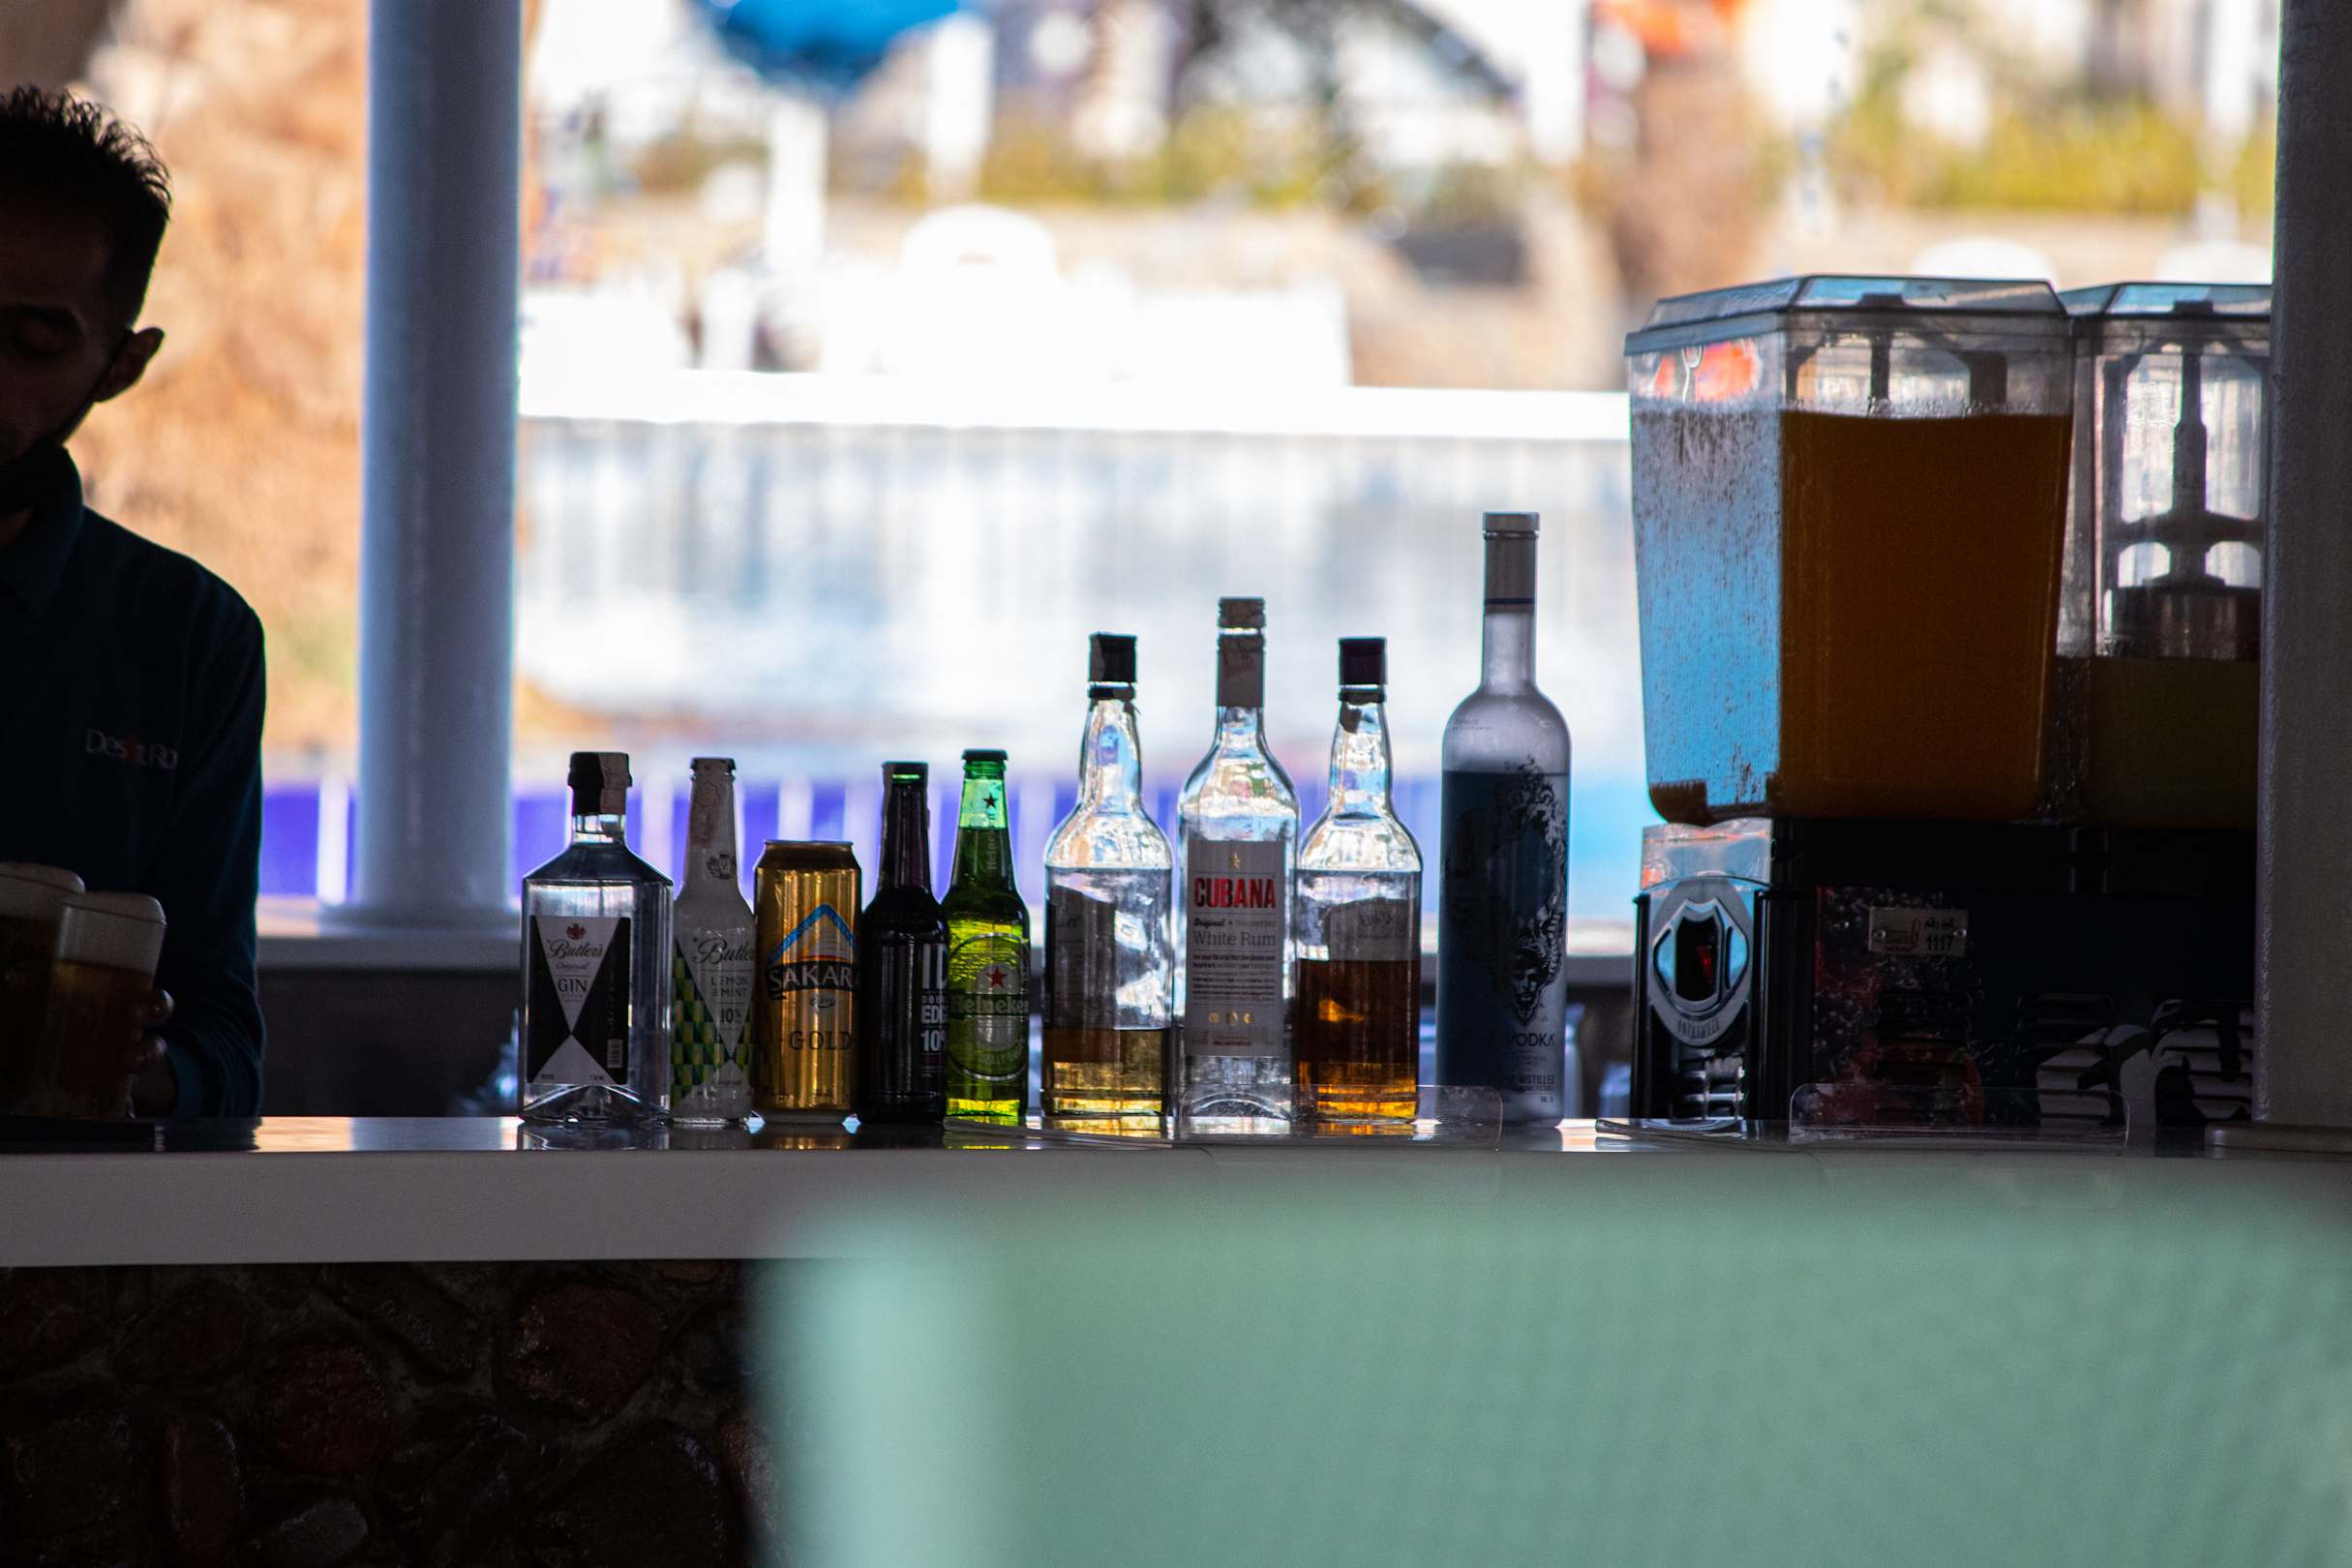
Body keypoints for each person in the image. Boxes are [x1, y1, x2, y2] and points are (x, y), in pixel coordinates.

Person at [0, 86, 264, 1117]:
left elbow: (225, 1046)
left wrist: (138, 1070)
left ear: (122, 365)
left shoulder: (189, 639)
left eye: (33, 342)